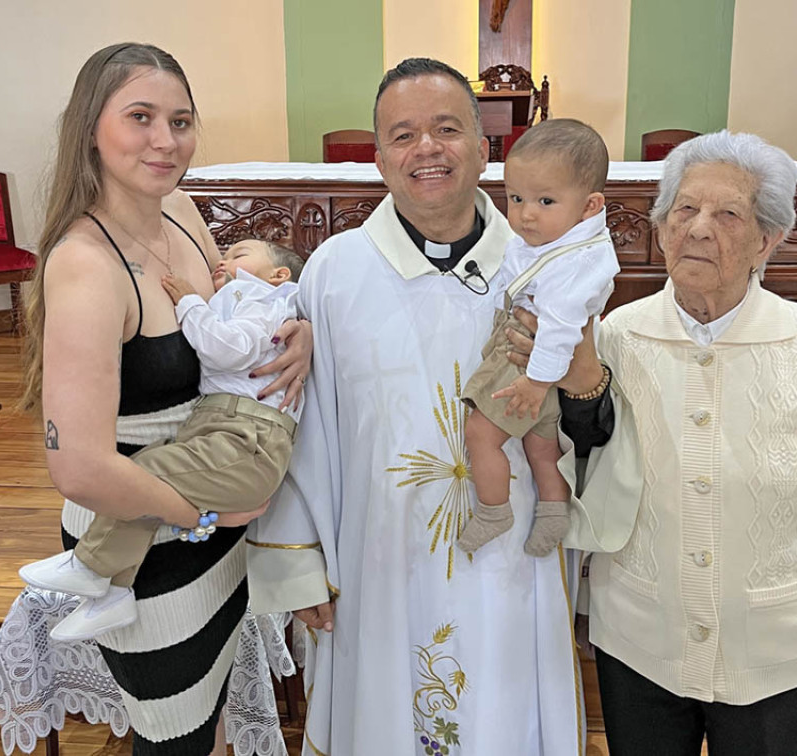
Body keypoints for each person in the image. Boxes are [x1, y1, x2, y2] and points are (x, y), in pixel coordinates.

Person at [245, 58, 631, 755]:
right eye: (403, 135)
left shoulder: (545, 263)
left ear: (484, 147)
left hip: (513, 557)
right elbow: (300, 429)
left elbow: (587, 421)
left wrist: (579, 373)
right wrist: (299, 567)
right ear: (377, 157)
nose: (426, 149)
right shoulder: (335, 272)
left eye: (447, 129)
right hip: (376, 567)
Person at [15, 44, 310, 755]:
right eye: (140, 117)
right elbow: (80, 468)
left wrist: (293, 332)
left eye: (180, 120)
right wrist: (207, 513)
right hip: (143, 530)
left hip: (209, 502)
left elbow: (227, 326)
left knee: (202, 715)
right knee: (170, 734)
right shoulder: (86, 264)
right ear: (91, 126)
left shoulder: (178, 210)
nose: (165, 140)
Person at [558, 130, 797, 755]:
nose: (699, 229)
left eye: (727, 213)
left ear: (767, 240)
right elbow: (583, 473)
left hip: (780, 650)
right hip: (640, 641)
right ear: (660, 229)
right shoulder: (616, 338)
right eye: (684, 209)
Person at [20, 240, 305, 642]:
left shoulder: (259, 297)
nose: (223, 261)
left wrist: (191, 302)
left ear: (279, 275)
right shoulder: (245, 297)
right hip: (228, 429)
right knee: (144, 485)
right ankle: (114, 594)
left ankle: (90, 565)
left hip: (248, 438)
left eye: (239, 254)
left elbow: (227, 351)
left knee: (141, 474)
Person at [458, 118, 619, 556]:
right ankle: (553, 515)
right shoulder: (556, 238)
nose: (526, 213)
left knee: (480, 433)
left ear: (589, 206)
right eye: (515, 198)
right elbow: (514, 276)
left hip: (528, 362)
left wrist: (536, 381)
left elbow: (562, 328)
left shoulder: (574, 262)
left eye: (545, 200)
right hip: (534, 355)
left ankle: (493, 510)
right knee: (541, 444)